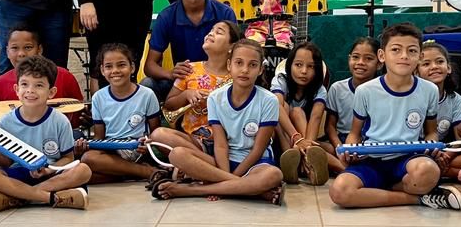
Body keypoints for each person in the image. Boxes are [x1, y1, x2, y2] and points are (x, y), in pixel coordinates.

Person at [328, 23, 461, 210]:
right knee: (339, 192)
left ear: (419, 56)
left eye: (412, 51)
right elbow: (354, 133)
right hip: (371, 160)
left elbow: (431, 132)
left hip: (408, 159)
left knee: (429, 171)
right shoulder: (365, 91)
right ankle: (418, 199)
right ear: (382, 56)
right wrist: (349, 150)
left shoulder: (429, 90)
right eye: (396, 50)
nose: (404, 56)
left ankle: (378, 190)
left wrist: (432, 145)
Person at [151, 40, 285, 204]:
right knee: (177, 154)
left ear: (260, 70)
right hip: (223, 162)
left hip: (256, 163)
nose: (244, 70)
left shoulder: (269, 100)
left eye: (252, 65)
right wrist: (229, 177)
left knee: (274, 175)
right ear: (229, 65)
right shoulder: (215, 97)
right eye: (239, 63)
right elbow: (220, 145)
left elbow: (258, 150)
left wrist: (226, 179)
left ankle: (190, 190)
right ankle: (252, 192)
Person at [0, 56, 93, 212]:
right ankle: (49, 197)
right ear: (16, 90)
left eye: (39, 85)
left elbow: (68, 158)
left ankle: (17, 197)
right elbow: (6, 164)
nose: (30, 90)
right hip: (18, 174)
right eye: (24, 84)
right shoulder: (6, 121)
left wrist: (50, 169)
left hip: (50, 174)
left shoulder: (60, 120)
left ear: (51, 92)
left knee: (83, 170)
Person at [142, 0, 236, 102]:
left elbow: (235, 56)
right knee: (147, 85)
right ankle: (155, 126)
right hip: (183, 82)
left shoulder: (225, 13)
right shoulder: (166, 16)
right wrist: (171, 73)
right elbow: (149, 66)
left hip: (220, 82)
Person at [148, 20, 239, 172]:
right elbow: (169, 105)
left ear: (232, 47)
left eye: (219, 32)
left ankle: (196, 167)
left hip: (227, 143)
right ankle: (210, 166)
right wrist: (186, 95)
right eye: (211, 30)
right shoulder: (190, 69)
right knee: (158, 135)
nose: (211, 33)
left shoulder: (236, 75)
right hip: (195, 142)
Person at [75, 43, 161, 183]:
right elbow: (99, 137)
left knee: (87, 164)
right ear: (102, 70)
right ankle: (132, 173)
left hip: (136, 149)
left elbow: (156, 132)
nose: (115, 71)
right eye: (109, 66)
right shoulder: (98, 97)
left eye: (121, 65)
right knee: (85, 163)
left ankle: (145, 171)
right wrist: (83, 147)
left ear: (132, 67)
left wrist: (147, 145)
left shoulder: (146, 95)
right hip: (110, 149)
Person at [0, 24, 84, 128]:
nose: (21, 54)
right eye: (14, 48)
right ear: (7, 52)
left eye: (28, 47)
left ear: (39, 50)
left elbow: (77, 114)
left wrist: (85, 119)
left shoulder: (64, 76)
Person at [318, 37, 379, 176]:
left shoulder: (383, 89)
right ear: (349, 59)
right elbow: (330, 126)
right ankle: (344, 167)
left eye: (368, 59)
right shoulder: (337, 88)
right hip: (341, 140)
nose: (360, 63)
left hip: (370, 142)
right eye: (355, 57)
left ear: (380, 63)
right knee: (318, 148)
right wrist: (340, 147)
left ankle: (343, 169)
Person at [273, 42, 331, 186]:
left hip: (306, 136)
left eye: (310, 66)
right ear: (290, 65)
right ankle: (292, 156)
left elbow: (316, 117)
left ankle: (300, 161)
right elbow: (276, 107)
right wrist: (297, 138)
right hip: (283, 139)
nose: (304, 71)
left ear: (317, 69)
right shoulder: (281, 80)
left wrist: (308, 148)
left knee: (298, 112)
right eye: (298, 65)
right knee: (283, 106)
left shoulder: (319, 89)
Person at [417, 41, 461, 185]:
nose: (434, 67)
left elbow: (460, 136)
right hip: (416, 152)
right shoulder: (410, 98)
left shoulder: (455, 99)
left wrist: (447, 155)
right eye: (426, 64)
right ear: (416, 72)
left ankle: (445, 169)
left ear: (448, 68)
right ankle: (457, 174)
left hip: (443, 152)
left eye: (439, 61)